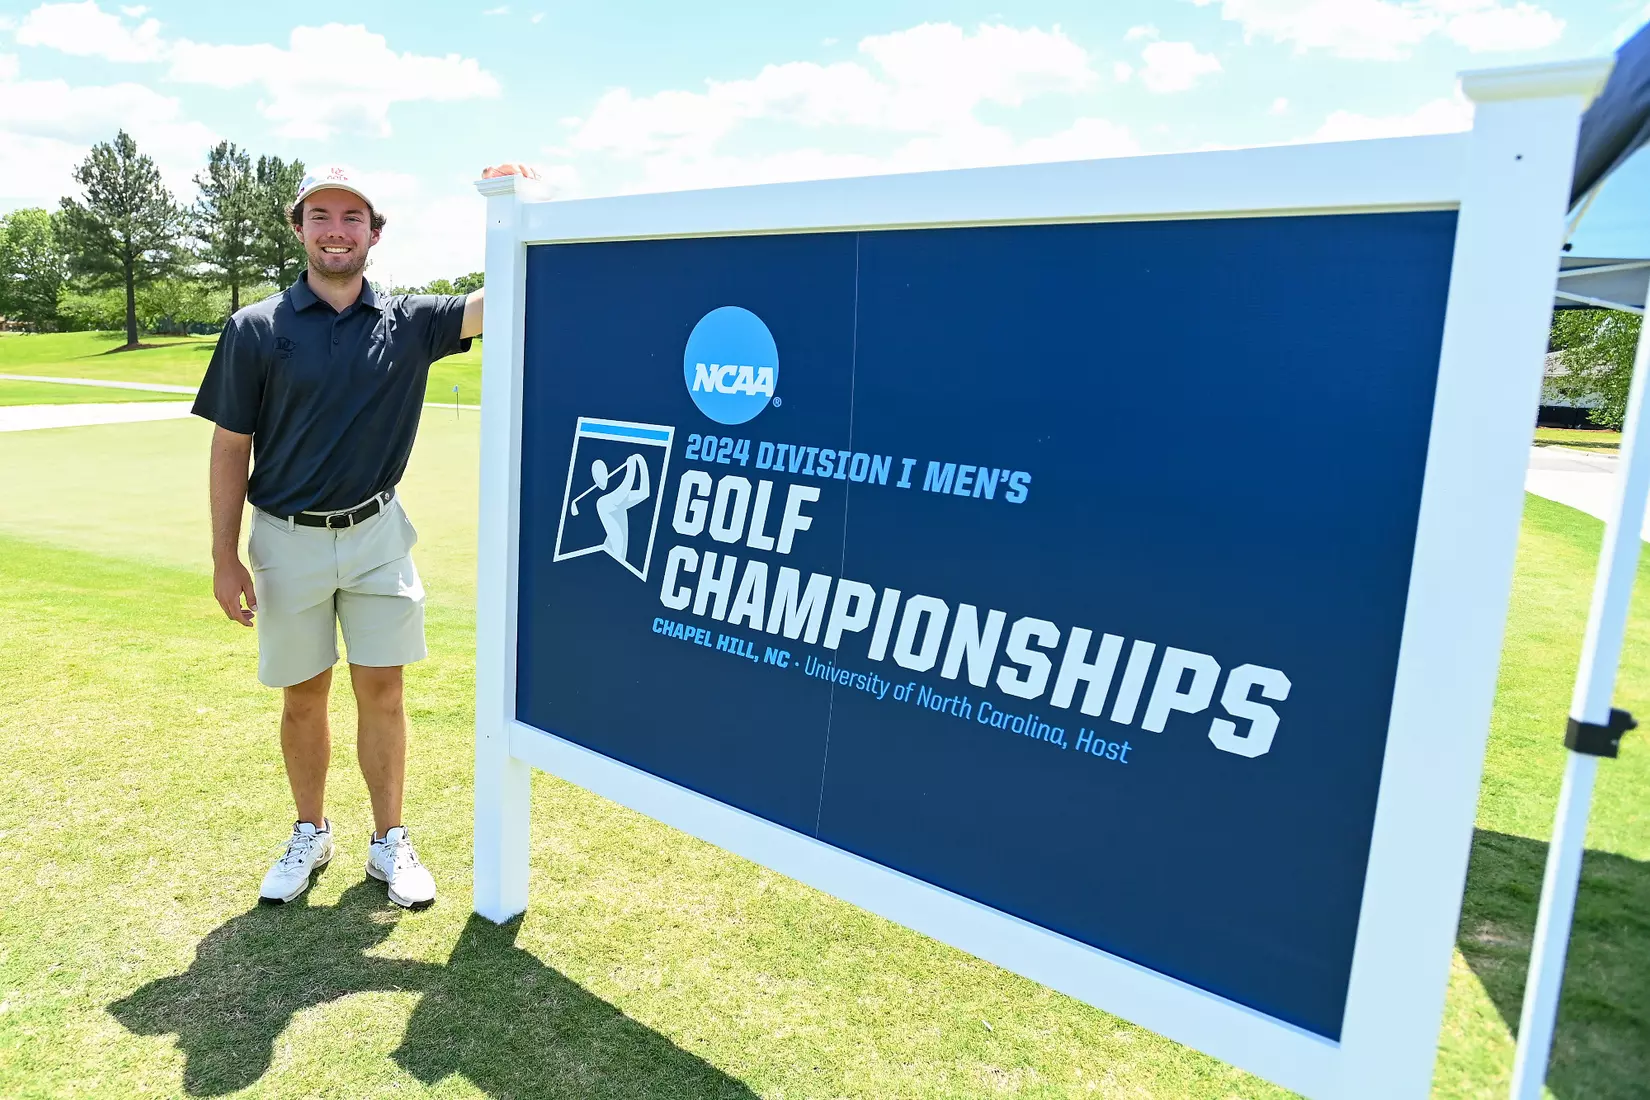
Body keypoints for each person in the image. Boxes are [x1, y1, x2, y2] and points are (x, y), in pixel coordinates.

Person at [194, 162, 538, 909]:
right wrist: (225, 556)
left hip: (379, 533)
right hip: (287, 539)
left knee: (383, 689)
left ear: (375, 233)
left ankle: (389, 842)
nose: (337, 230)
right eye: (321, 216)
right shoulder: (256, 328)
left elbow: (502, 297)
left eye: (353, 218)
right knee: (303, 697)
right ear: (299, 229)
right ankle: (310, 832)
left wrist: (528, 208)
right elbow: (230, 445)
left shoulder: (409, 321)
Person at [594, 453, 649, 562]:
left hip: (616, 557)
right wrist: (632, 466)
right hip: (612, 556)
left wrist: (641, 462)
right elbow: (624, 490)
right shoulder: (603, 502)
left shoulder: (620, 501)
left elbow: (644, 493)